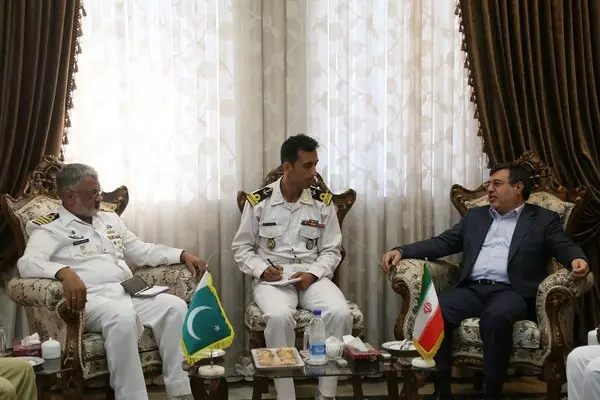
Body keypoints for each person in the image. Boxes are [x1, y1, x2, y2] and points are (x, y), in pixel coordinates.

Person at [381, 163, 589, 400]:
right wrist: (402, 250)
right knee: (437, 310)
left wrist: (577, 258)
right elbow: (442, 243)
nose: (489, 189)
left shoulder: (542, 219)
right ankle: (442, 389)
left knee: (495, 317)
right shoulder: (476, 216)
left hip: (512, 291)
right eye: (489, 184)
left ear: (518, 188)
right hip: (472, 289)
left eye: (497, 184)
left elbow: (563, 245)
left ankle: (492, 392)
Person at [17, 163, 207, 400]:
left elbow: (141, 251)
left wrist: (182, 254)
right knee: (122, 317)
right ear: (68, 197)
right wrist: (63, 272)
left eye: (98, 191)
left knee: (174, 307)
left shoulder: (108, 219)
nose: (99, 199)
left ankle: (180, 392)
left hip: (126, 292)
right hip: (91, 299)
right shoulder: (49, 228)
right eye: (92, 194)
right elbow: (28, 263)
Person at [232, 134, 352, 400]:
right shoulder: (259, 202)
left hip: (311, 275)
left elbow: (332, 250)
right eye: (307, 165)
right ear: (287, 167)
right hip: (273, 279)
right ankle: (286, 396)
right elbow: (241, 248)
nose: (314, 172)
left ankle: (326, 395)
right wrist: (262, 270)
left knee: (340, 313)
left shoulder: (322, 202)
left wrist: (312, 274)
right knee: (277, 317)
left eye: (315, 164)